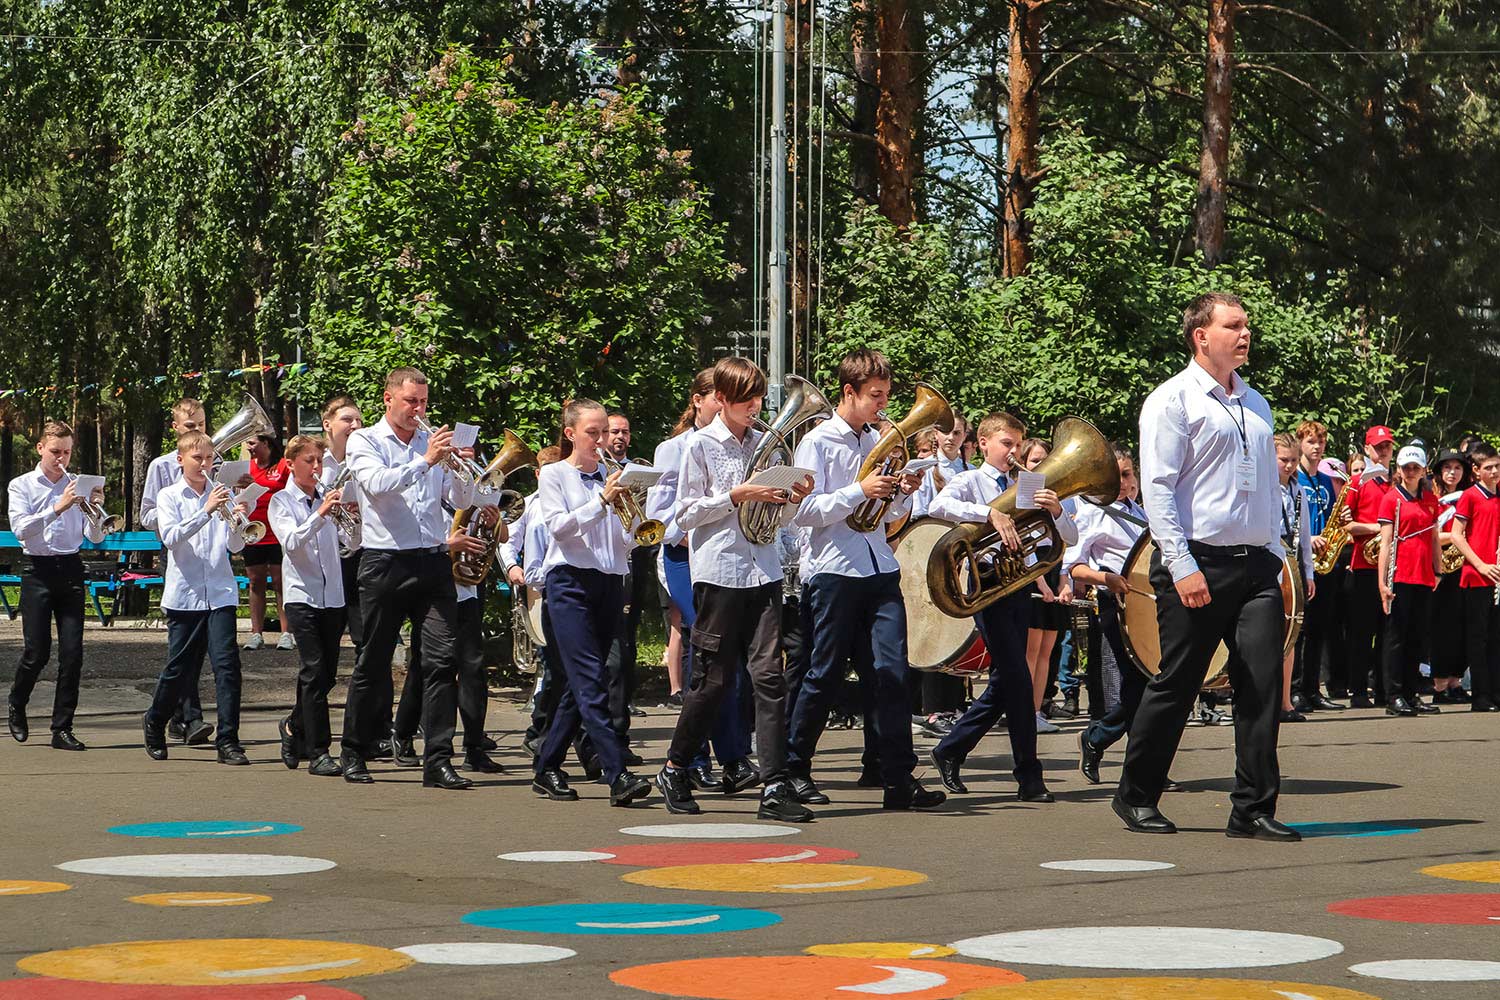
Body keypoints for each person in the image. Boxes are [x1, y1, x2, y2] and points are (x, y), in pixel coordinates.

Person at [1113, 292, 1296, 841]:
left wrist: (1278, 556)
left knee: (1262, 683)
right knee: (1178, 682)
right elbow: (1160, 489)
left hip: (1256, 567)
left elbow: (1267, 487)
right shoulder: (1172, 401)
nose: (1245, 334)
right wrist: (1181, 562)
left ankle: (1252, 808)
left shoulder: (1256, 404)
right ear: (1202, 336)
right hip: (1198, 560)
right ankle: (1136, 794)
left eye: (1246, 326)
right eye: (1233, 326)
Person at [656, 357, 816, 822]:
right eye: (746, 402)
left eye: (759, 399)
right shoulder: (699, 446)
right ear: (720, 400)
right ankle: (675, 765)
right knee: (713, 680)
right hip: (720, 573)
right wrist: (737, 495)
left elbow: (779, 520)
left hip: (763, 570)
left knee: (768, 677)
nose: (756, 408)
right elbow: (682, 516)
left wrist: (790, 500)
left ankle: (774, 785)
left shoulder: (767, 444)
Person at [787, 350, 945, 810]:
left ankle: (898, 778)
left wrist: (901, 495)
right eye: (875, 396)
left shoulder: (877, 440)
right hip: (834, 570)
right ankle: (794, 768)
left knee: (893, 674)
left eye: (886, 395)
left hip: (878, 567)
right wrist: (861, 489)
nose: (883, 404)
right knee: (824, 674)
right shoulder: (817, 442)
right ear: (849, 392)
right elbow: (803, 512)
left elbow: (884, 517)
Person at [339, 367, 475, 790]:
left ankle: (438, 759)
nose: (419, 410)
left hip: (433, 561)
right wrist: (426, 461)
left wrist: (460, 472)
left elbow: (459, 500)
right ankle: (353, 749)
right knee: (374, 661)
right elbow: (377, 486)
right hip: (384, 563)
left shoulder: (428, 444)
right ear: (388, 399)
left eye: (423, 402)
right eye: (411, 401)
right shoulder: (365, 441)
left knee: (441, 662)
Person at [927, 412, 1075, 801]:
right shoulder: (970, 480)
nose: (1013, 451)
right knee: (1019, 680)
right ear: (986, 442)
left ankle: (950, 749)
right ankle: (1029, 775)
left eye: (1017, 444)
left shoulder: (1028, 484)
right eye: (1006, 443)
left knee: (1006, 682)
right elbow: (939, 506)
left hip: (1020, 584)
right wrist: (988, 512)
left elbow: (1068, 538)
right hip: (988, 584)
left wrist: (1057, 512)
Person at [529, 399, 652, 807]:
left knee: (579, 683)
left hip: (609, 581)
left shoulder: (610, 476)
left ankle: (547, 766)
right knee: (590, 679)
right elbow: (560, 529)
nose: (602, 441)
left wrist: (633, 516)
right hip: (569, 582)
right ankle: (616, 773)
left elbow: (627, 539)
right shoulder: (554, 475)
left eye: (605, 432)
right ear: (571, 435)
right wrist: (601, 501)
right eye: (592, 434)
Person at [647, 370, 750, 792]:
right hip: (684, 558)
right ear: (701, 400)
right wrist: (690, 527)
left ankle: (728, 757)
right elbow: (661, 513)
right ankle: (701, 758)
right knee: (707, 654)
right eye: (719, 399)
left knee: (730, 660)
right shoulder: (673, 448)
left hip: (725, 557)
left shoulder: (743, 444)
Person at [141, 431, 249, 765]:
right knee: (179, 669)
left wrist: (238, 520)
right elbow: (171, 537)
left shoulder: (224, 493)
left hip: (220, 592)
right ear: (181, 460)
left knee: (227, 667)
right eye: (197, 459)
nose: (204, 465)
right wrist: (206, 511)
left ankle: (229, 741)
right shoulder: (169, 495)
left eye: (209, 459)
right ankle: (155, 721)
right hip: (184, 595)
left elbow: (236, 547)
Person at [6, 421, 104, 751]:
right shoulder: (22, 486)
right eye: (55, 452)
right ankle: (17, 703)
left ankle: (62, 727)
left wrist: (94, 511)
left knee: (73, 654)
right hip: (37, 570)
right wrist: (57, 506)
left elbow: (96, 537)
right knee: (37, 652)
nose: (61, 459)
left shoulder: (77, 484)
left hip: (71, 568)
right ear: (40, 449)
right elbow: (21, 530)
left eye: (67, 452)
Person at [268, 435, 348, 776]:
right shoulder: (281, 501)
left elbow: (351, 544)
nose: (316, 467)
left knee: (325, 676)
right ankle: (319, 752)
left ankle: (292, 726)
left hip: (334, 596)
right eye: (309, 461)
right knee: (314, 671)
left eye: (319, 460)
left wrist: (350, 519)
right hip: (302, 596)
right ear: (291, 464)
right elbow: (292, 542)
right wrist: (321, 515)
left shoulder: (326, 497)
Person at [1068, 444, 1148, 783]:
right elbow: (1073, 567)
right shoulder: (1092, 512)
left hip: (1146, 606)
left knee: (1145, 687)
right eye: (1115, 476)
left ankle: (1114, 747)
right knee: (1140, 687)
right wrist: (1107, 579)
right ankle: (1107, 744)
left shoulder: (1142, 513)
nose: (1123, 482)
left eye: (1128, 474)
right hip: (1114, 606)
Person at [139, 397, 213, 746]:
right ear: (175, 429)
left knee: (199, 648)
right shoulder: (160, 466)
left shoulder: (213, 462)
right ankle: (191, 716)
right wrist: (176, 515)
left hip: (210, 558)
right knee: (182, 645)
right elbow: (147, 513)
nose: (198, 430)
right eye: (190, 426)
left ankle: (178, 717)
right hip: (178, 552)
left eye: (201, 424)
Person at [1376, 445, 1443, 716]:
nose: (1411, 471)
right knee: (1396, 637)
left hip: (1423, 575)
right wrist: (1382, 582)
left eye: (1416, 467)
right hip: (1400, 574)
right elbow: (1386, 542)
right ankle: (1393, 695)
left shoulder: (1430, 500)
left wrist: (1438, 570)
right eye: (1406, 467)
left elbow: (1435, 538)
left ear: (1424, 469)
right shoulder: (1392, 499)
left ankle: (1412, 693)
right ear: (1399, 470)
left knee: (1417, 637)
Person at [603, 410, 651, 756]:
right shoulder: (596, 472)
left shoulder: (637, 469)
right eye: (613, 431)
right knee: (610, 658)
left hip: (633, 559)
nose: (619, 437)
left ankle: (618, 734)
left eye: (624, 432)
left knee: (627, 648)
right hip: (602, 567)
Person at [1292, 421, 1345, 712]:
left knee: (1319, 629)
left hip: (1326, 561)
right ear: (1301, 442)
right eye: (1311, 441)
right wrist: (1307, 538)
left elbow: (1332, 514)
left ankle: (1313, 688)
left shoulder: (1325, 480)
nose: (1317, 447)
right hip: (1302, 560)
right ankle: (1296, 688)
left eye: (1321, 442)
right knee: (1301, 628)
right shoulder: (1295, 478)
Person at [1017, 437, 1067, 734]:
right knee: (1030, 652)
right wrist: (1041, 582)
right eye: (1035, 460)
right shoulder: (1022, 494)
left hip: (1053, 571)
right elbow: (1025, 543)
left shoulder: (1056, 494)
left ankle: (1036, 711)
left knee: (1047, 651)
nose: (1040, 465)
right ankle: (1023, 711)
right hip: (1033, 573)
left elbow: (1069, 539)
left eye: (1044, 460)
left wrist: (1063, 582)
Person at [1346, 427, 1397, 707]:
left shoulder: (1397, 482)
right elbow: (1346, 525)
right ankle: (1358, 691)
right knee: (1362, 631)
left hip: (1392, 566)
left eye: (1387, 446)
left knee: (1388, 630)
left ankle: (1384, 689)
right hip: (1364, 564)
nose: (1383, 452)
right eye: (1378, 447)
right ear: (1367, 450)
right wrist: (1378, 529)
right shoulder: (1356, 483)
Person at [1449, 443, 1500, 712]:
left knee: (1496, 637)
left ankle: (1495, 691)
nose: (1494, 472)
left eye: (1497, 466)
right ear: (1477, 471)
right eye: (1489, 468)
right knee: (1478, 638)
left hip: (1497, 578)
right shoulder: (1469, 496)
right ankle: (1480, 696)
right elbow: (1457, 535)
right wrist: (1480, 564)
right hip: (1477, 575)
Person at [1275, 433, 1315, 723]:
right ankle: (1269, 700)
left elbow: (1304, 536)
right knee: (1271, 636)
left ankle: (1286, 700)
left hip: (1293, 562)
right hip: (1271, 560)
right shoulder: (1265, 488)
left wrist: (1308, 573)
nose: (1289, 466)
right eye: (1284, 460)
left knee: (1291, 634)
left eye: (1292, 461)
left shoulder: (1299, 490)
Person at [243, 431, 292, 651]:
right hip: (253, 533)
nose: (249, 447)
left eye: (252, 443)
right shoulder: (247, 467)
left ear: (266, 443)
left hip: (277, 532)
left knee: (280, 582)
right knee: (255, 582)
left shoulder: (282, 466)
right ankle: (256, 633)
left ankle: (286, 633)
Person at [1430, 449, 1471, 704]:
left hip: (1464, 566)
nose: (1452, 473)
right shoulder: (1431, 498)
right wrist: (1455, 537)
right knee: (1441, 626)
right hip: (1440, 565)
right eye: (1447, 468)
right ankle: (1440, 684)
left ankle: (1456, 681)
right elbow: (1430, 532)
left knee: (1462, 626)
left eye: (1457, 468)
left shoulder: (1468, 497)